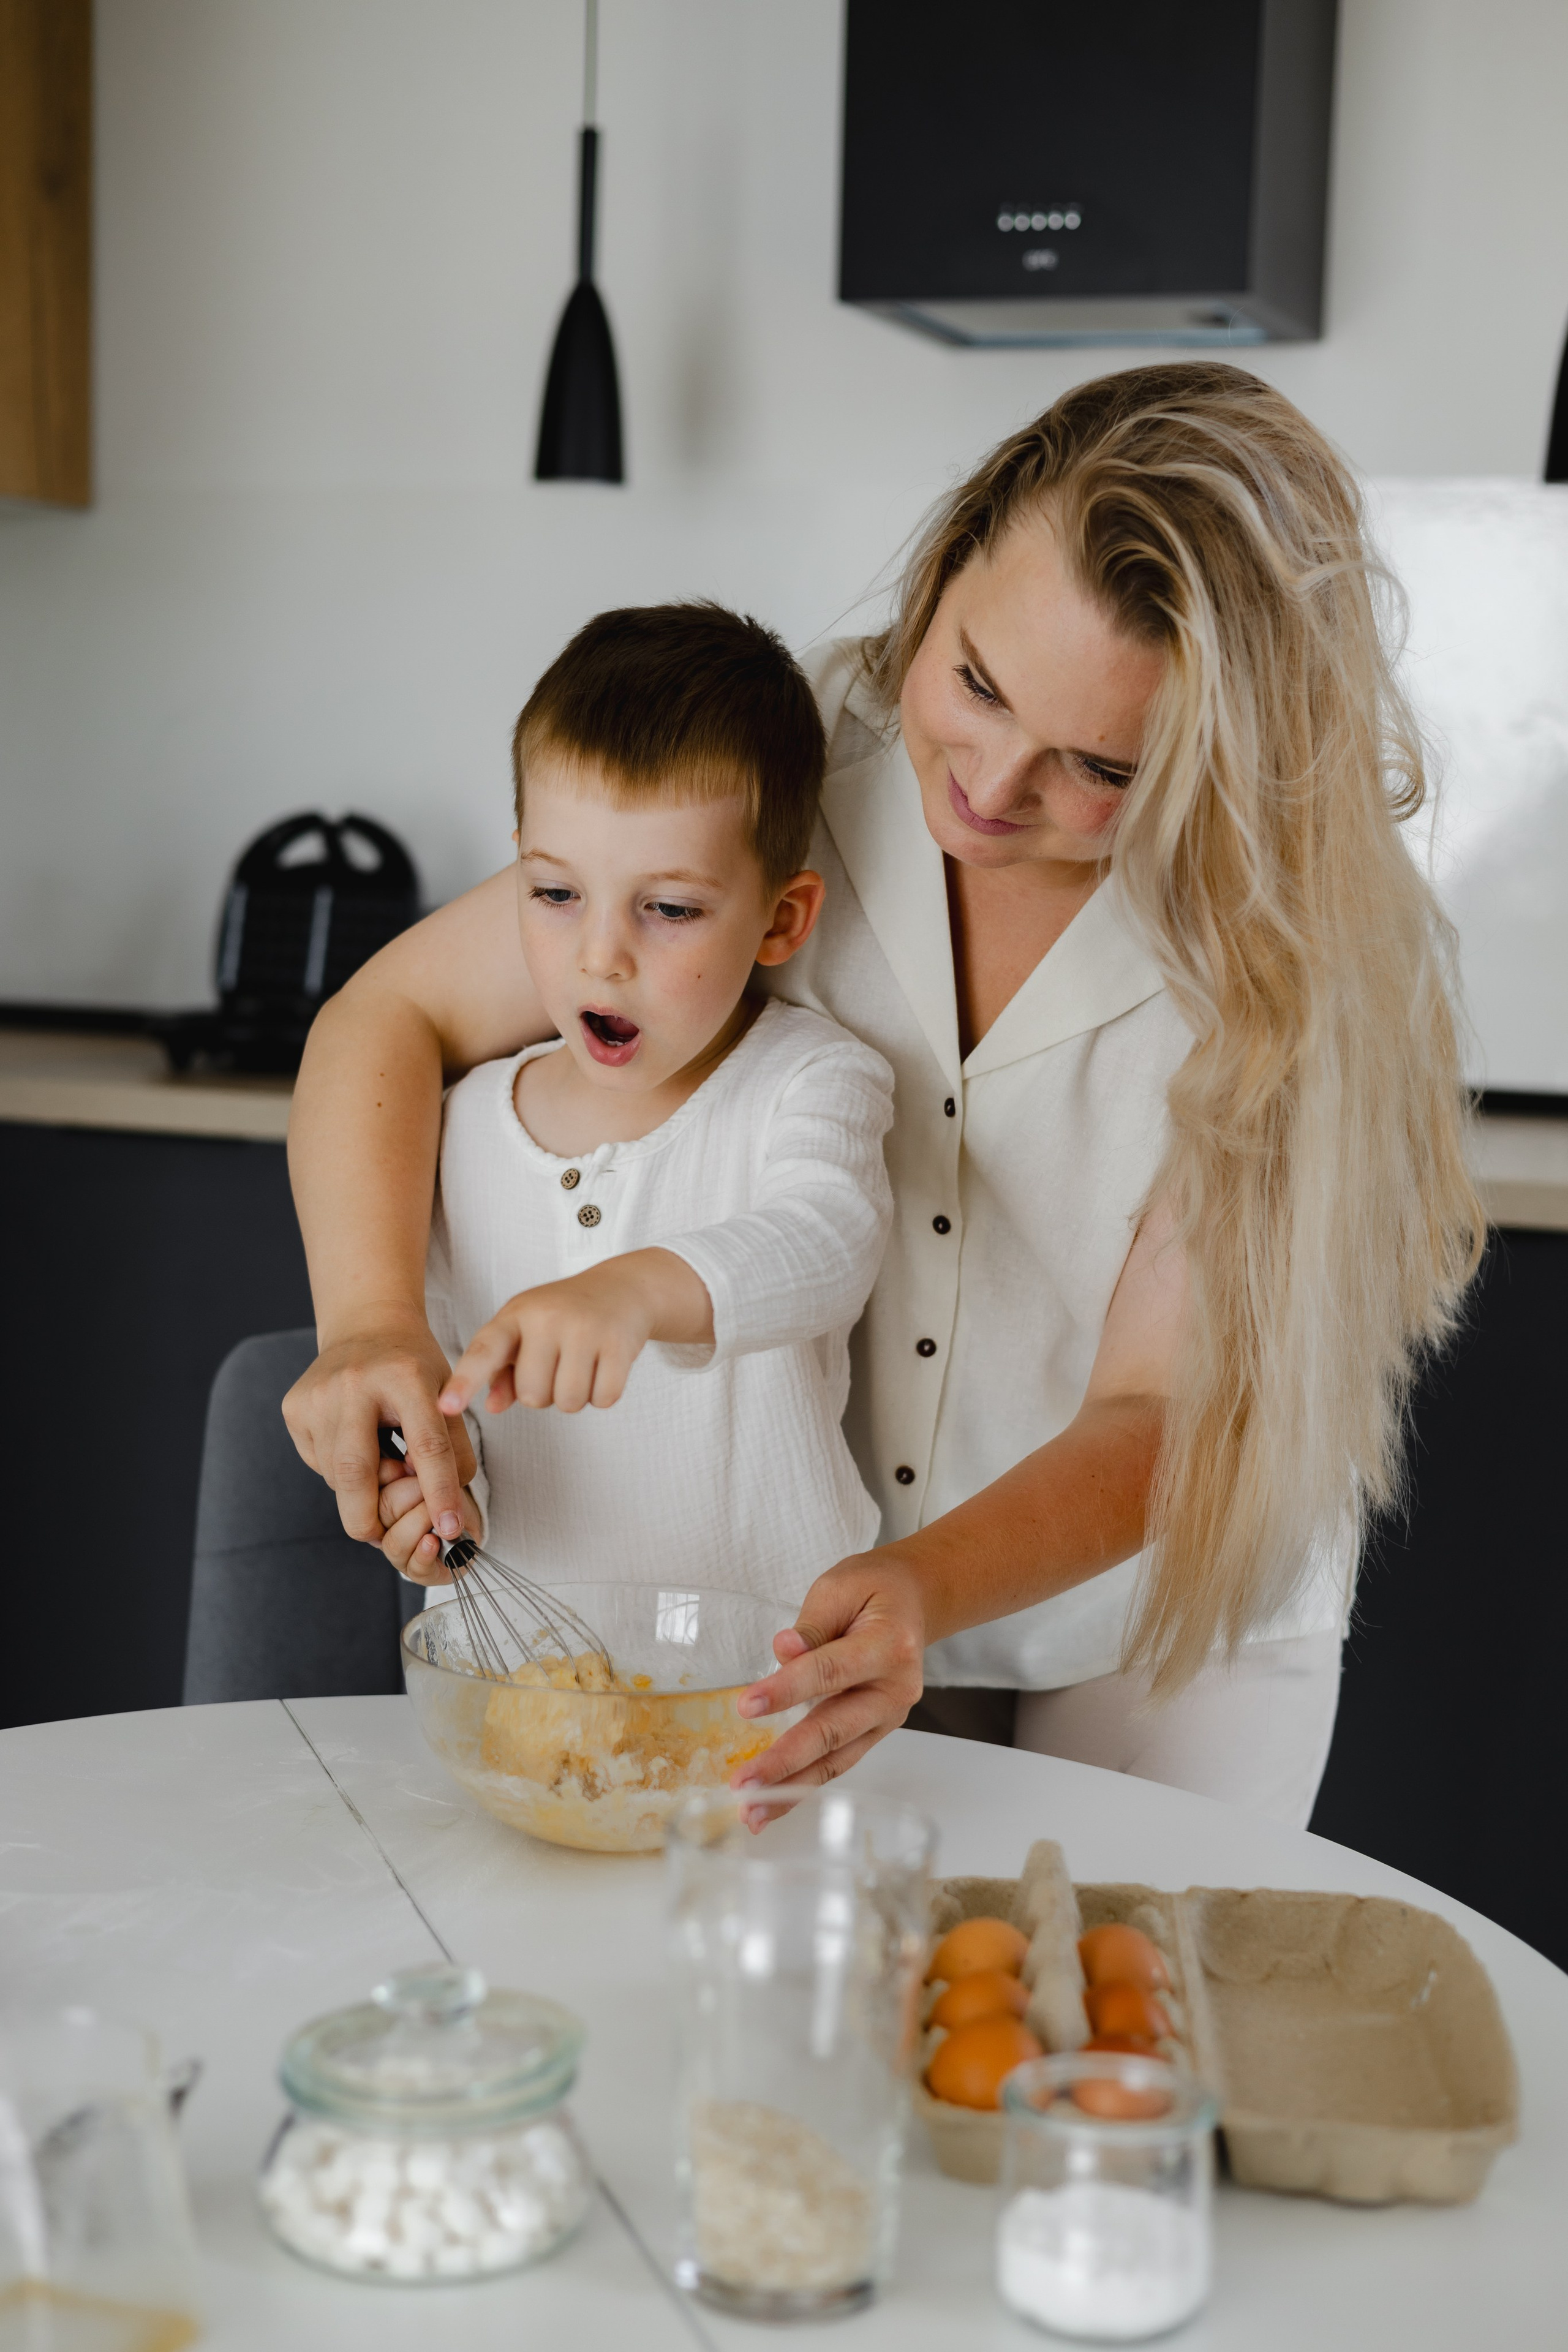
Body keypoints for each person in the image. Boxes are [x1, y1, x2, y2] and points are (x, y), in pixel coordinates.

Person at [283, 362, 1482, 1828]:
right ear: (947, 564)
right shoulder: (801, 762)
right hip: (818, 1583)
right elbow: (385, 1016)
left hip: (1166, 1614)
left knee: (1106, 2023)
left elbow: (1161, 1406)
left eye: (1098, 763)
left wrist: (925, 1584)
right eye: (974, 681)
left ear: (1217, 761)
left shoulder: (1299, 951)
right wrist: (369, 1326)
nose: (985, 784)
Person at [358, 601, 893, 1612]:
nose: (601, 955)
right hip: (518, 1710)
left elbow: (829, 1242)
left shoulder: (810, 1082)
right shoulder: (461, 1125)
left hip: (765, 1703)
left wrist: (638, 1288)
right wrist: (428, 1508)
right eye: (555, 894)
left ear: (782, 920)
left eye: (671, 910)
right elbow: (445, 1412)